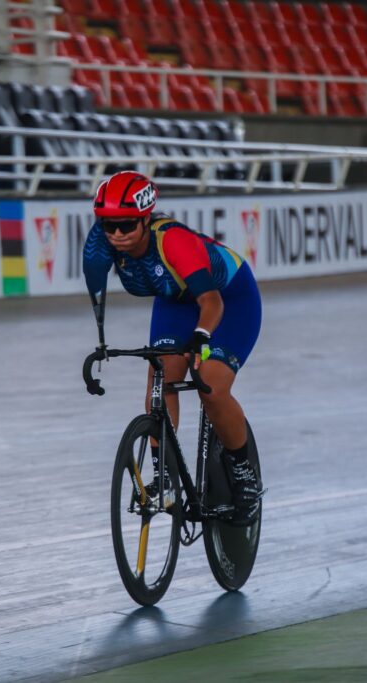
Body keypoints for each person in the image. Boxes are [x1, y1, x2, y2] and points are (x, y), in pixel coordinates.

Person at [83, 171, 263, 525]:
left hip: (228, 297)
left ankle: (244, 475)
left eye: (126, 225)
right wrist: (101, 345)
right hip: (175, 299)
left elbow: (211, 302)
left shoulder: (174, 242)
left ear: (145, 218)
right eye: (108, 226)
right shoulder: (100, 244)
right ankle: (164, 477)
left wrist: (200, 337)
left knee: (210, 384)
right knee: (160, 376)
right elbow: (97, 295)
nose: (116, 234)